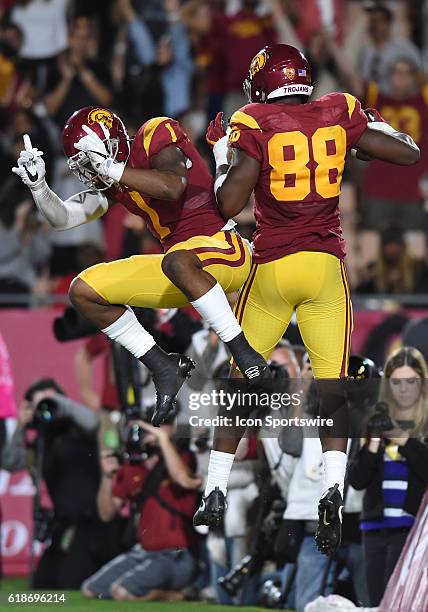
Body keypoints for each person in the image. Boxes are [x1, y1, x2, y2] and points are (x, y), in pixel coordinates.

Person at [193, 43, 419, 556]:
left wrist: (223, 156)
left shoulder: (255, 119)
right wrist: (371, 131)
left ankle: (215, 487)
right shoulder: (339, 109)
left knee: (240, 385)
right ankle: (332, 490)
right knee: (332, 390)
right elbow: (408, 153)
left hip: (274, 266)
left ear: (262, 83)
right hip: (325, 268)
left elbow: (226, 206)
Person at [12, 106, 271, 427]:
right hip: (180, 267)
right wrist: (40, 189)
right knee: (83, 291)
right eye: (83, 166)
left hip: (224, 250)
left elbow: (173, 185)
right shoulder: (114, 178)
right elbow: (65, 218)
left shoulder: (154, 133)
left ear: (111, 143)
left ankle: (246, 356)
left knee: (176, 260)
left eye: (89, 161)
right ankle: (163, 367)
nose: (90, 171)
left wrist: (109, 168)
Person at [0, 377, 117, 589]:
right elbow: (9, 462)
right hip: (64, 525)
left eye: (50, 402)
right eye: (40, 405)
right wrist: (20, 425)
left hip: (93, 522)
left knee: (69, 582)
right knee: (42, 583)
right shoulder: (41, 443)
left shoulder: (80, 431)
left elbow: (93, 421)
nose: (47, 408)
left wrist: (61, 403)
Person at [81, 415, 201, 601]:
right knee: (90, 590)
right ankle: (164, 590)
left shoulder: (183, 457)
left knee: (123, 592)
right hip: (143, 553)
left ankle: (174, 595)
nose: (158, 429)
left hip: (176, 556)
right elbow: (107, 514)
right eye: (153, 425)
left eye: (165, 424)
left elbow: (184, 480)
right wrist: (107, 477)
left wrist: (162, 440)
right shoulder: (134, 466)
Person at [348, 346, 428, 606]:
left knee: (401, 604)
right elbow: (358, 480)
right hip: (374, 527)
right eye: (396, 382)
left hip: (412, 531)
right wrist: (373, 443)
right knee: (375, 603)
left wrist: (403, 439)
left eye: (411, 381)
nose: (403, 389)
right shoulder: (374, 421)